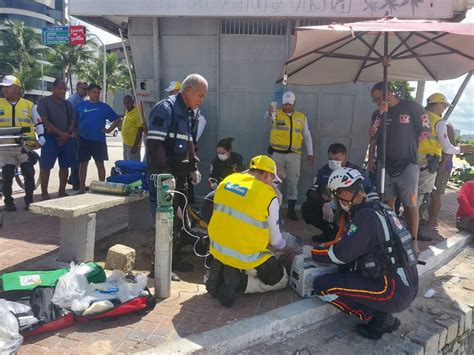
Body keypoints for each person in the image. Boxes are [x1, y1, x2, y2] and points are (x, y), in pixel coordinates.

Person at [310, 167, 419, 340]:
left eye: (336, 196)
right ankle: (382, 314)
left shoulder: (365, 217)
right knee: (347, 272)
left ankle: (377, 317)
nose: (336, 202)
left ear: (345, 194)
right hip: (407, 286)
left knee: (322, 285)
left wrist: (313, 252)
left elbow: (340, 255)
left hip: (391, 291)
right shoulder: (382, 208)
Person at [206, 155, 290, 307]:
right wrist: (285, 247)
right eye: (273, 179)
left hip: (217, 248)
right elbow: (276, 241)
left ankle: (224, 270)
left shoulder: (228, 180)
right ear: (266, 175)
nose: (273, 184)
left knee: (236, 254)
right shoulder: (268, 195)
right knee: (280, 278)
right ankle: (240, 283)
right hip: (245, 254)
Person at [146, 73, 207, 277]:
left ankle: (172, 260)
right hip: (165, 178)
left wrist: (193, 168)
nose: (202, 99)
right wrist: (164, 173)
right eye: (200, 95)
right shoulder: (166, 109)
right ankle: (159, 268)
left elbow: (188, 143)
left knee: (179, 221)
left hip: (180, 179)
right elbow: (155, 144)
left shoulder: (188, 113)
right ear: (188, 90)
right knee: (164, 222)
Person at [368, 82, 431, 253]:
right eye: (375, 100)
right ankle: (391, 237)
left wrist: (408, 143)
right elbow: (373, 136)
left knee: (410, 204)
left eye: (380, 98)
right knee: (387, 204)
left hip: (408, 164)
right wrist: (380, 115)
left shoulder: (412, 107)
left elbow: (426, 130)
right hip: (384, 165)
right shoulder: (377, 114)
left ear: (389, 93)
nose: (378, 102)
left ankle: (413, 240)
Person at [417, 93, 473, 231]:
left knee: (423, 194)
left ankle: (425, 220)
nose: (444, 108)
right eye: (443, 105)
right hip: (432, 165)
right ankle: (421, 222)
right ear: (436, 104)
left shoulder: (419, 118)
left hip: (418, 163)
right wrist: (461, 150)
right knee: (429, 194)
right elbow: (448, 148)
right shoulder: (440, 123)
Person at [301, 143, 369, 243]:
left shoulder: (356, 171)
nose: (333, 162)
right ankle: (329, 233)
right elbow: (311, 192)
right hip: (330, 206)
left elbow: (369, 191)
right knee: (307, 207)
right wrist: (325, 204)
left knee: (352, 232)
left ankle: (348, 237)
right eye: (331, 159)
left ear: (345, 158)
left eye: (337, 159)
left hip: (350, 207)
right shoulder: (323, 171)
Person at [265, 91, 314, 221]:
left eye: (290, 104)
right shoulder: (276, 114)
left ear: (294, 103)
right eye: (285, 104)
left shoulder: (301, 117)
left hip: (294, 155)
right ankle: (274, 209)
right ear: (282, 103)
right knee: (275, 182)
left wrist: (310, 153)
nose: (287, 106)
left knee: (293, 182)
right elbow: (269, 118)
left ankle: (291, 210)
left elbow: (307, 135)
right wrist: (270, 113)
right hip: (277, 154)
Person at [0, 75, 40, 211]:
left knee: (29, 172)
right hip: (5, 146)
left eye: (8, 87)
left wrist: (41, 139)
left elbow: (38, 123)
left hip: (25, 144)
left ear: (17, 88)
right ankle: (9, 202)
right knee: (7, 174)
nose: (4, 89)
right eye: (4, 86)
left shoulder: (29, 105)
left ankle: (29, 201)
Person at [74, 84, 120, 194]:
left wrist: (109, 130)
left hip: (99, 140)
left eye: (98, 92)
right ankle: (81, 187)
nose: (96, 94)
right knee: (83, 164)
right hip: (84, 139)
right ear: (89, 93)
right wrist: (75, 131)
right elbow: (73, 120)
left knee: (100, 164)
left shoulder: (104, 107)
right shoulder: (81, 105)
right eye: (94, 92)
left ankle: (102, 187)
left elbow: (117, 119)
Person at [37, 79, 76, 200]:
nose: (62, 91)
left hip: (66, 139)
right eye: (60, 88)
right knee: (46, 167)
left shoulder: (67, 104)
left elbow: (72, 121)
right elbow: (44, 121)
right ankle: (44, 193)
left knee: (65, 166)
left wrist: (67, 133)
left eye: (64, 89)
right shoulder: (44, 102)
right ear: (53, 88)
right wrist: (60, 134)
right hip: (50, 138)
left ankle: (62, 191)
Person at [67, 81, 88, 190]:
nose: (86, 91)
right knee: (76, 159)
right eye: (83, 89)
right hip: (74, 134)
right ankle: (76, 182)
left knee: (79, 159)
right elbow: (70, 118)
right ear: (77, 88)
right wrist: (73, 131)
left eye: (86, 89)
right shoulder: (73, 100)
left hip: (80, 133)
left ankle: (76, 180)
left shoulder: (81, 100)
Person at [121, 95, 144, 161]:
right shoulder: (127, 111)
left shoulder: (137, 113)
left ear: (133, 102)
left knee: (133, 165)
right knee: (126, 164)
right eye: (124, 103)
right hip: (126, 143)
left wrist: (135, 145)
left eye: (128, 103)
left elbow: (140, 130)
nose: (126, 105)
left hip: (133, 144)